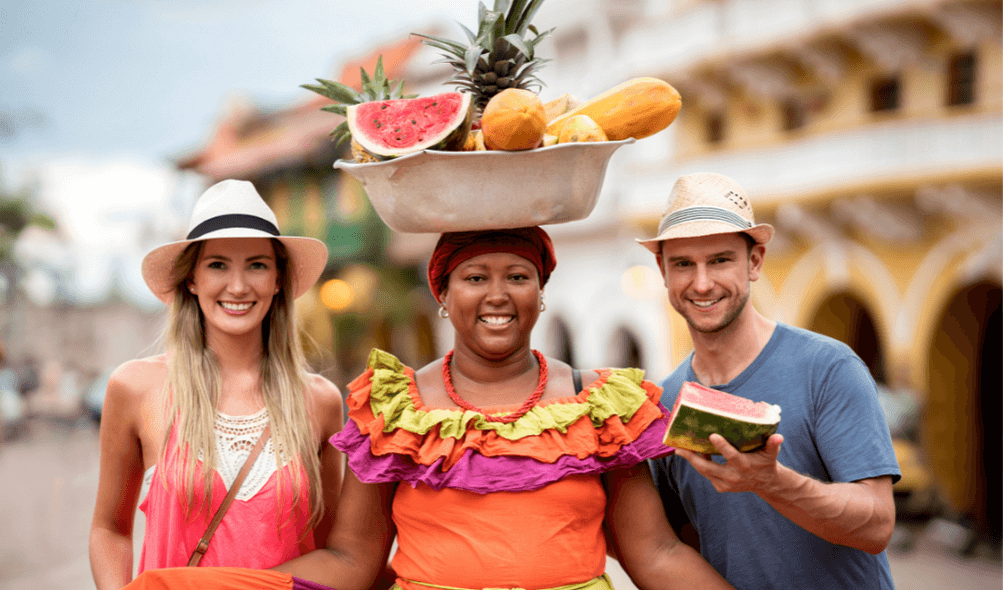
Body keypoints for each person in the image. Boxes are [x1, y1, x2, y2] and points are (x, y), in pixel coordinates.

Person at [120, 226, 735, 590]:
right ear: (442, 295)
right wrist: (208, 586)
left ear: (541, 294)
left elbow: (653, 554)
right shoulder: (391, 409)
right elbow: (352, 559)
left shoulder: (597, 402)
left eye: (517, 276)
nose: (497, 295)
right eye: (474, 278)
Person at [637, 173, 901, 589]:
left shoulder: (827, 367)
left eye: (720, 260)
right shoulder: (664, 404)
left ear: (755, 261)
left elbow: (877, 526)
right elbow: (682, 545)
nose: (702, 283)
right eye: (684, 264)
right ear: (662, 270)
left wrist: (772, 483)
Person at [89, 180, 343, 589]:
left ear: (279, 279)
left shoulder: (319, 401)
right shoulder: (136, 388)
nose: (238, 286)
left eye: (257, 265)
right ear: (191, 279)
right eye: (218, 265)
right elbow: (109, 529)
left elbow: (331, 551)